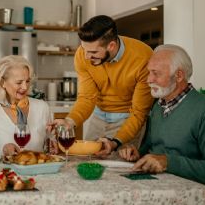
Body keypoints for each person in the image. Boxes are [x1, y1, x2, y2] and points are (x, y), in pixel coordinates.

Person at [118, 44, 205, 187]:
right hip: (156, 190)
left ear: (178, 75)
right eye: (149, 72)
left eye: (156, 73)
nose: (149, 80)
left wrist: (168, 162)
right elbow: (150, 150)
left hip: (191, 196)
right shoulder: (158, 106)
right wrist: (136, 155)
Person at [49, 15, 154, 157]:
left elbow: (139, 113)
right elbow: (86, 97)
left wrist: (115, 141)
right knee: (87, 161)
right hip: (98, 117)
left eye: (93, 52)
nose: (86, 56)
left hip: (128, 120)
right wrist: (69, 122)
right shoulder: (83, 54)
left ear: (111, 45)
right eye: (84, 49)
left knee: (118, 168)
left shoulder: (143, 57)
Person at [0, 55, 55, 158]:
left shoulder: (42, 107)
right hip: (6, 172)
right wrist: (3, 150)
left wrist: (54, 142)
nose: (25, 87)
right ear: (3, 83)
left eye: (28, 81)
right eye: (19, 82)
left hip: (37, 170)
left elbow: (51, 143)